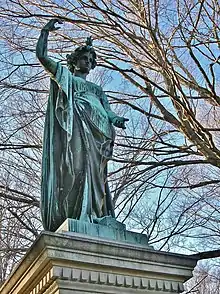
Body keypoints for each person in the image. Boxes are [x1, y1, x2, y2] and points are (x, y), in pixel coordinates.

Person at [36, 19, 128, 231]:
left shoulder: (96, 89)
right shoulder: (67, 78)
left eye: (90, 59)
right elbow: (42, 57)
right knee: (77, 168)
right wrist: (45, 32)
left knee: (98, 175)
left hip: (101, 134)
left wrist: (115, 119)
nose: (87, 61)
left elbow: (108, 110)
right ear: (74, 61)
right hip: (76, 127)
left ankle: (95, 214)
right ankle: (79, 215)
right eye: (83, 58)